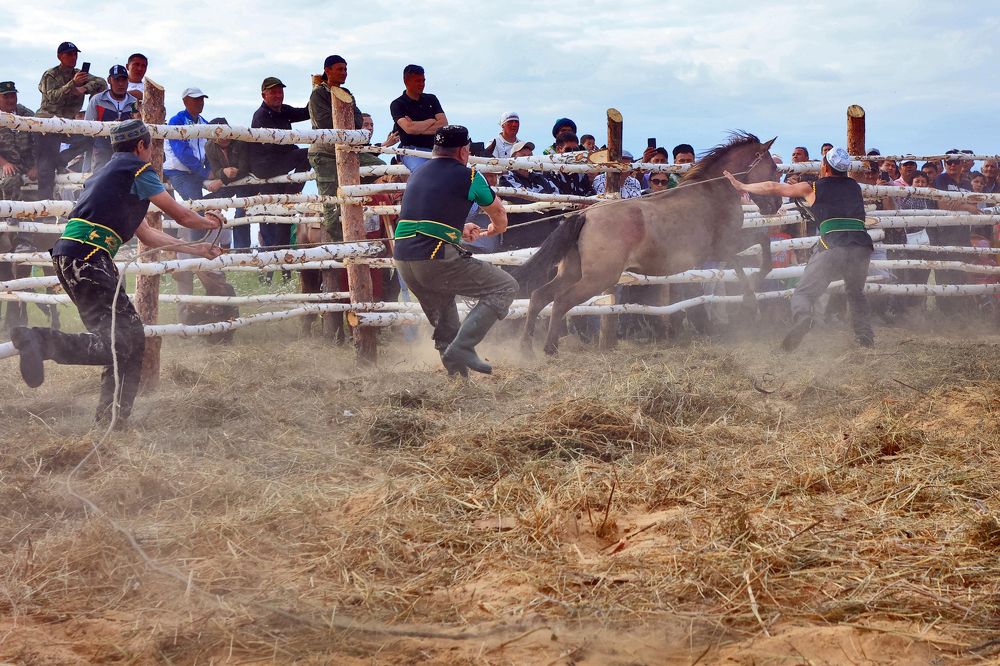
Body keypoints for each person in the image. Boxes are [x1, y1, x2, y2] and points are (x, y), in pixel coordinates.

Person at [9, 120, 224, 427]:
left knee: (126, 337)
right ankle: (40, 341)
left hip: (75, 257)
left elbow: (148, 235)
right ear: (141, 146)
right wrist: (209, 223)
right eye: (150, 147)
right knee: (120, 339)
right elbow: (182, 215)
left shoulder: (110, 176)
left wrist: (198, 250)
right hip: (89, 258)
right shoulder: (139, 171)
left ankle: (112, 419)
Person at [392, 125, 517, 376]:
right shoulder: (470, 176)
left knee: (445, 318)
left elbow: (423, 221)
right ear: (463, 151)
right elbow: (499, 214)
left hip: (404, 259)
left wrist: (458, 230)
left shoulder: (418, 174)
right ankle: (464, 346)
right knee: (505, 286)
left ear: (437, 149)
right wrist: (495, 228)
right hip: (434, 257)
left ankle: (458, 381)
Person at [724, 146, 875, 350]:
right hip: (861, 245)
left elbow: (772, 187)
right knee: (856, 292)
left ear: (825, 166)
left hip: (834, 245)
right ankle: (865, 340)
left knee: (803, 294)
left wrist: (742, 185)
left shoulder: (811, 187)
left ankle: (803, 318)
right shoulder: (854, 187)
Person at [34, 41, 107, 200]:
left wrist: (84, 88)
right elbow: (52, 96)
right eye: (69, 54)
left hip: (68, 124)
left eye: (75, 54)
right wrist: (72, 84)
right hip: (48, 123)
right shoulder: (50, 74)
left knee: (89, 138)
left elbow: (102, 83)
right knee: (45, 168)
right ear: (60, 56)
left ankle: (59, 161)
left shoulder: (80, 74)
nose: (73, 57)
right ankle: (44, 207)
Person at [308, 55, 370, 240]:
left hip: (346, 150)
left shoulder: (347, 92)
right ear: (328, 71)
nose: (344, 73)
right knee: (331, 204)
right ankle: (337, 244)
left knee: (379, 170)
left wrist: (345, 125)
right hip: (325, 153)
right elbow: (324, 122)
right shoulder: (318, 94)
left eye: (345, 69)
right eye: (339, 69)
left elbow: (359, 120)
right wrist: (346, 124)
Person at [250, 76, 311, 251]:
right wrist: (293, 147)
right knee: (273, 218)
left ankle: (283, 266)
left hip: (279, 164)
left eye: (280, 91)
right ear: (264, 95)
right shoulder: (261, 115)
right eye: (273, 92)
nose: (278, 95)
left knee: (284, 216)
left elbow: (306, 112)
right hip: (266, 166)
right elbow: (271, 146)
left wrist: (318, 90)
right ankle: (293, 190)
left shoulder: (283, 110)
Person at [204, 117, 253, 250]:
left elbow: (244, 169)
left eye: (225, 133)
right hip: (228, 184)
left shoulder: (240, 141)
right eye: (219, 135)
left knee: (241, 213)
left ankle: (242, 251)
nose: (224, 138)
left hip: (244, 183)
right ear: (212, 137)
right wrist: (223, 172)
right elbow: (216, 170)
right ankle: (204, 248)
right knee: (204, 204)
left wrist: (221, 180)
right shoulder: (209, 146)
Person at [0, 81, 37, 255]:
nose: (10, 99)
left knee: (41, 184)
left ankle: (30, 237)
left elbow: (39, 142)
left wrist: (35, 166)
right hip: (5, 162)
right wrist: (5, 163)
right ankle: (11, 214)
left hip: (27, 163)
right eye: (5, 96)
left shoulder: (26, 114)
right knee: (10, 179)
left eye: (13, 95)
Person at [389, 64, 447, 174]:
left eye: (423, 80)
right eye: (417, 81)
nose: (422, 84)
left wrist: (416, 128)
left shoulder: (431, 99)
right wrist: (431, 121)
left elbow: (443, 125)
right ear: (406, 81)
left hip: (436, 150)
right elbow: (409, 128)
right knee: (423, 173)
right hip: (411, 151)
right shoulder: (397, 104)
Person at [85, 65, 139, 170]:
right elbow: (88, 128)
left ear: (128, 81)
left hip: (127, 150)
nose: (120, 84)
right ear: (109, 80)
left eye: (123, 80)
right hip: (102, 148)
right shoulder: (97, 100)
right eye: (116, 79)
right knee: (101, 178)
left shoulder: (134, 103)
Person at [548, 132, 594, 196]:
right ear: (558, 149)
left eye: (575, 150)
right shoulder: (550, 173)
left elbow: (591, 193)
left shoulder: (581, 172)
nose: (572, 154)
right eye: (568, 150)